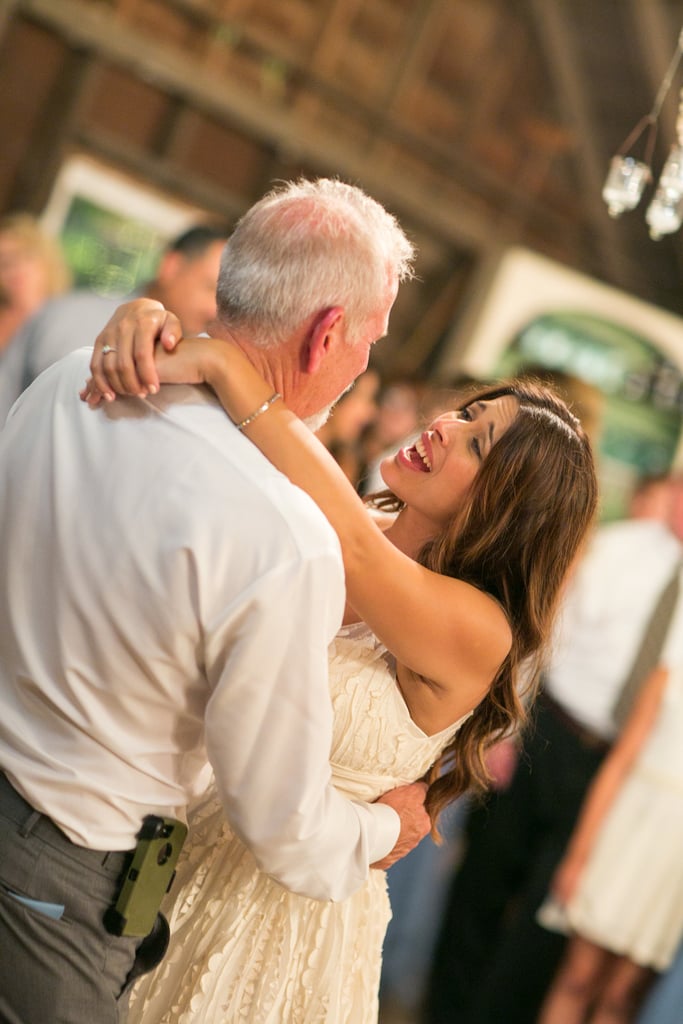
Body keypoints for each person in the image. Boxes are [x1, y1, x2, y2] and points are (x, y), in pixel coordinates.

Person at [84, 302, 598, 1021]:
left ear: (509, 508)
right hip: (174, 841)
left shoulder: (478, 627)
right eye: (464, 413)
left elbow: (351, 548)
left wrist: (224, 365)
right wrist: (148, 318)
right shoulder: (355, 515)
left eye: (476, 444)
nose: (443, 427)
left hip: (282, 907)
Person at [0, 178, 432, 1024]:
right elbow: (280, 821)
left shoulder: (65, 382)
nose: (363, 367)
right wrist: (387, 831)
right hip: (60, 873)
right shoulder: (283, 534)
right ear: (327, 334)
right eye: (369, 341)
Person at [424, 473, 683, 1024]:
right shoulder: (619, 549)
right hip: (549, 731)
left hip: (619, 774)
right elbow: (543, 635)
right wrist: (506, 729)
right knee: (483, 885)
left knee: (545, 925)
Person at [537, 648, 683, 1022]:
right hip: (626, 834)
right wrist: (578, 854)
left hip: (673, 862)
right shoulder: (668, 673)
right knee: (577, 976)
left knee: (622, 996)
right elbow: (616, 765)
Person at [0, 222, 229, 425]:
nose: (213, 310)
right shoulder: (74, 317)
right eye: (209, 288)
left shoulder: (198, 373)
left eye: (223, 301)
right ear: (171, 266)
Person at [0, 211, 70, 352]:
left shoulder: (63, 322)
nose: (14, 268)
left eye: (24, 256)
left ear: (48, 261)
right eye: (4, 261)